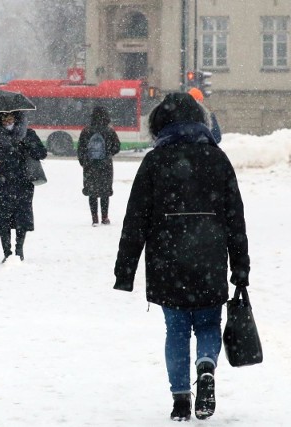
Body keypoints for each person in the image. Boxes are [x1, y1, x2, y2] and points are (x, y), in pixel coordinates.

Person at [113, 92, 250, 421]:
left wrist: (125, 270)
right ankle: (206, 364)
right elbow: (235, 217)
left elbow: (136, 219)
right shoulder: (217, 158)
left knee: (175, 331)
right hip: (210, 257)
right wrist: (240, 265)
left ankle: (179, 400)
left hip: (167, 259)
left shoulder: (154, 161)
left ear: (160, 124)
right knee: (207, 324)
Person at [0, 111, 47, 262]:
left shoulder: (28, 133)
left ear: (17, 118)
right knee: (2, 217)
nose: (7, 121)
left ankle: (19, 249)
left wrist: (26, 144)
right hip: (2, 181)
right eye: (4, 119)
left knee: (22, 217)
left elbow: (41, 153)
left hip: (23, 181)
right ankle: (7, 251)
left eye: (10, 118)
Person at [77, 106, 121, 226]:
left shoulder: (86, 131)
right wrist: (108, 153)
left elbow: (80, 149)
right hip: (105, 165)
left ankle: (94, 218)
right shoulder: (109, 131)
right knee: (104, 191)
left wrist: (84, 162)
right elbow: (117, 147)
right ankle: (105, 217)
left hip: (90, 165)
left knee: (92, 191)